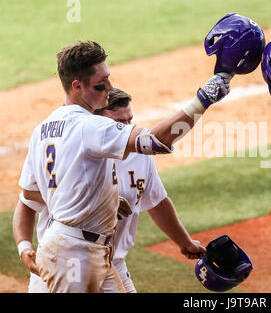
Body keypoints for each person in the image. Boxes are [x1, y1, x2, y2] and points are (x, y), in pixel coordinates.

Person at [15, 40, 231, 292]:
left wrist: (94, 198)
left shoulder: (43, 129)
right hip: (72, 253)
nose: (109, 87)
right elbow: (156, 141)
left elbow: (31, 191)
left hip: (92, 250)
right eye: (100, 84)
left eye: (108, 78)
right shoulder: (90, 127)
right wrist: (203, 99)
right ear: (77, 86)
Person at [13, 88, 202, 293]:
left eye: (129, 120)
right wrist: (23, 246)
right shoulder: (75, 154)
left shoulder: (139, 154)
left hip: (111, 261)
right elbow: (26, 201)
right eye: (119, 124)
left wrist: (185, 243)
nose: (126, 129)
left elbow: (157, 202)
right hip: (65, 261)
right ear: (98, 125)